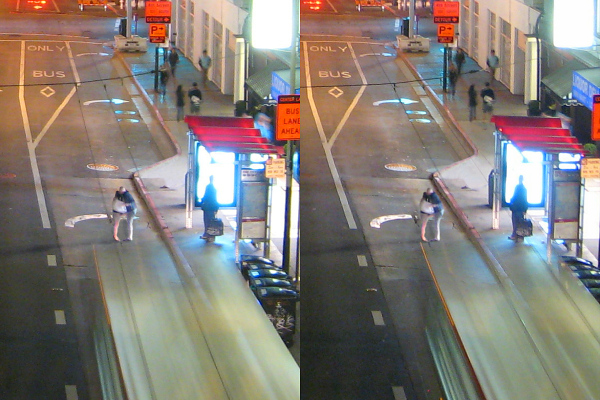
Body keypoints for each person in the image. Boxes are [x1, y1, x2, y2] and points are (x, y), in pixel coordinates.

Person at [508, 175, 528, 241]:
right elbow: (525, 199)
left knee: (515, 222)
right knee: (520, 222)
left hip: (516, 208)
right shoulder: (524, 189)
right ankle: (520, 236)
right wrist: (525, 209)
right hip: (521, 208)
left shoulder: (517, 187)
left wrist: (511, 202)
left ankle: (514, 235)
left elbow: (514, 197)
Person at [200, 176, 219, 241]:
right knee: (212, 221)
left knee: (207, 221)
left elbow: (206, 196)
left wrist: (201, 201)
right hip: (213, 206)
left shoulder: (208, 187)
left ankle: (207, 234)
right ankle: (212, 236)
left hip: (208, 207)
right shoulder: (215, 188)